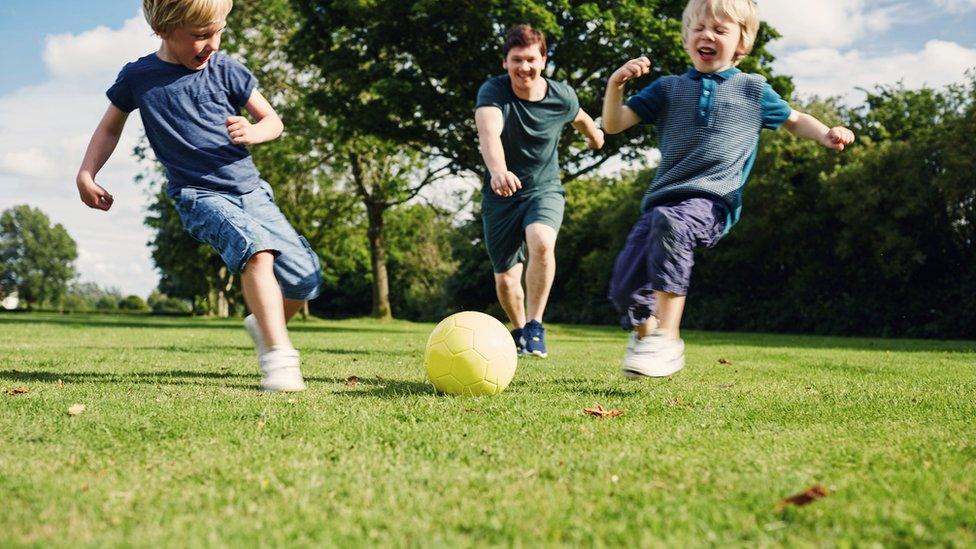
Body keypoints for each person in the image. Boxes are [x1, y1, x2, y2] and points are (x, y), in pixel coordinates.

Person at [75, 0, 322, 392]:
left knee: (305, 277)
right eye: (200, 36)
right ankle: (280, 361)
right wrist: (87, 172)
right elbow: (109, 129)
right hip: (198, 193)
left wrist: (255, 131)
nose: (212, 44)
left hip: (252, 190)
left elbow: (272, 119)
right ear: (163, 30)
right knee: (256, 252)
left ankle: (261, 322)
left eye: (218, 31)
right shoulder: (139, 77)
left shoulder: (226, 69)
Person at [601, 0, 855, 378]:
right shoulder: (667, 89)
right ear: (686, 37)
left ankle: (667, 339)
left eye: (720, 30)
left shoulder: (753, 89)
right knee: (625, 288)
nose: (708, 35)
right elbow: (614, 123)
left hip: (711, 200)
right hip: (660, 203)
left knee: (674, 225)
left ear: (742, 42)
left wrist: (826, 134)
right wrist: (615, 85)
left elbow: (795, 119)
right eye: (699, 28)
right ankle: (646, 334)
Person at [475, 24, 604, 358]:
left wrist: (595, 137)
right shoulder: (493, 91)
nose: (524, 67)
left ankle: (535, 326)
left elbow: (581, 118)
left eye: (531, 59)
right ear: (505, 62)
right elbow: (489, 133)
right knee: (505, 279)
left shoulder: (561, 95)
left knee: (542, 242)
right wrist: (498, 171)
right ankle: (518, 330)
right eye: (516, 60)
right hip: (500, 193)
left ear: (544, 59)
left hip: (543, 190)